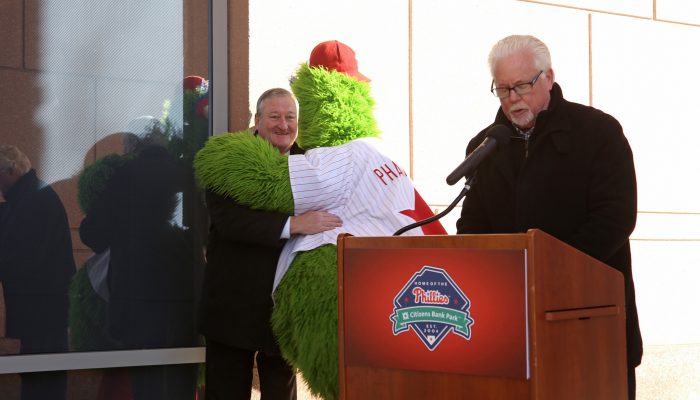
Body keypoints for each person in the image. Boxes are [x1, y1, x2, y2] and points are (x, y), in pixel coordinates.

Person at [455, 34, 642, 399]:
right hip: (508, 332)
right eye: (503, 88)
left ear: (549, 77)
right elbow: (471, 228)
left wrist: (547, 272)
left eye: (522, 85)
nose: (513, 98)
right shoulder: (485, 147)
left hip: (590, 325)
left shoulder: (598, 133)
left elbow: (615, 220)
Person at [199, 87, 343, 400]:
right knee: (226, 389)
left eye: (290, 117)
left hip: (282, 307)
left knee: (281, 389)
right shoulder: (228, 159)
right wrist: (294, 224)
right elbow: (229, 221)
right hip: (232, 302)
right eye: (275, 116)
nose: (283, 124)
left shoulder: (310, 166)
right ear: (257, 119)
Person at [79, 125, 199, 400]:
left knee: (148, 383)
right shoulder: (187, 174)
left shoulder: (124, 177)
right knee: (182, 379)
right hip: (186, 296)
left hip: (139, 299)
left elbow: (94, 232)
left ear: (133, 146)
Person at [0, 145, 75, 400]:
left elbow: (22, 254)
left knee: (41, 381)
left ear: (10, 170)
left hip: (42, 311)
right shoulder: (33, 196)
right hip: (46, 311)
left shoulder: (32, 200)